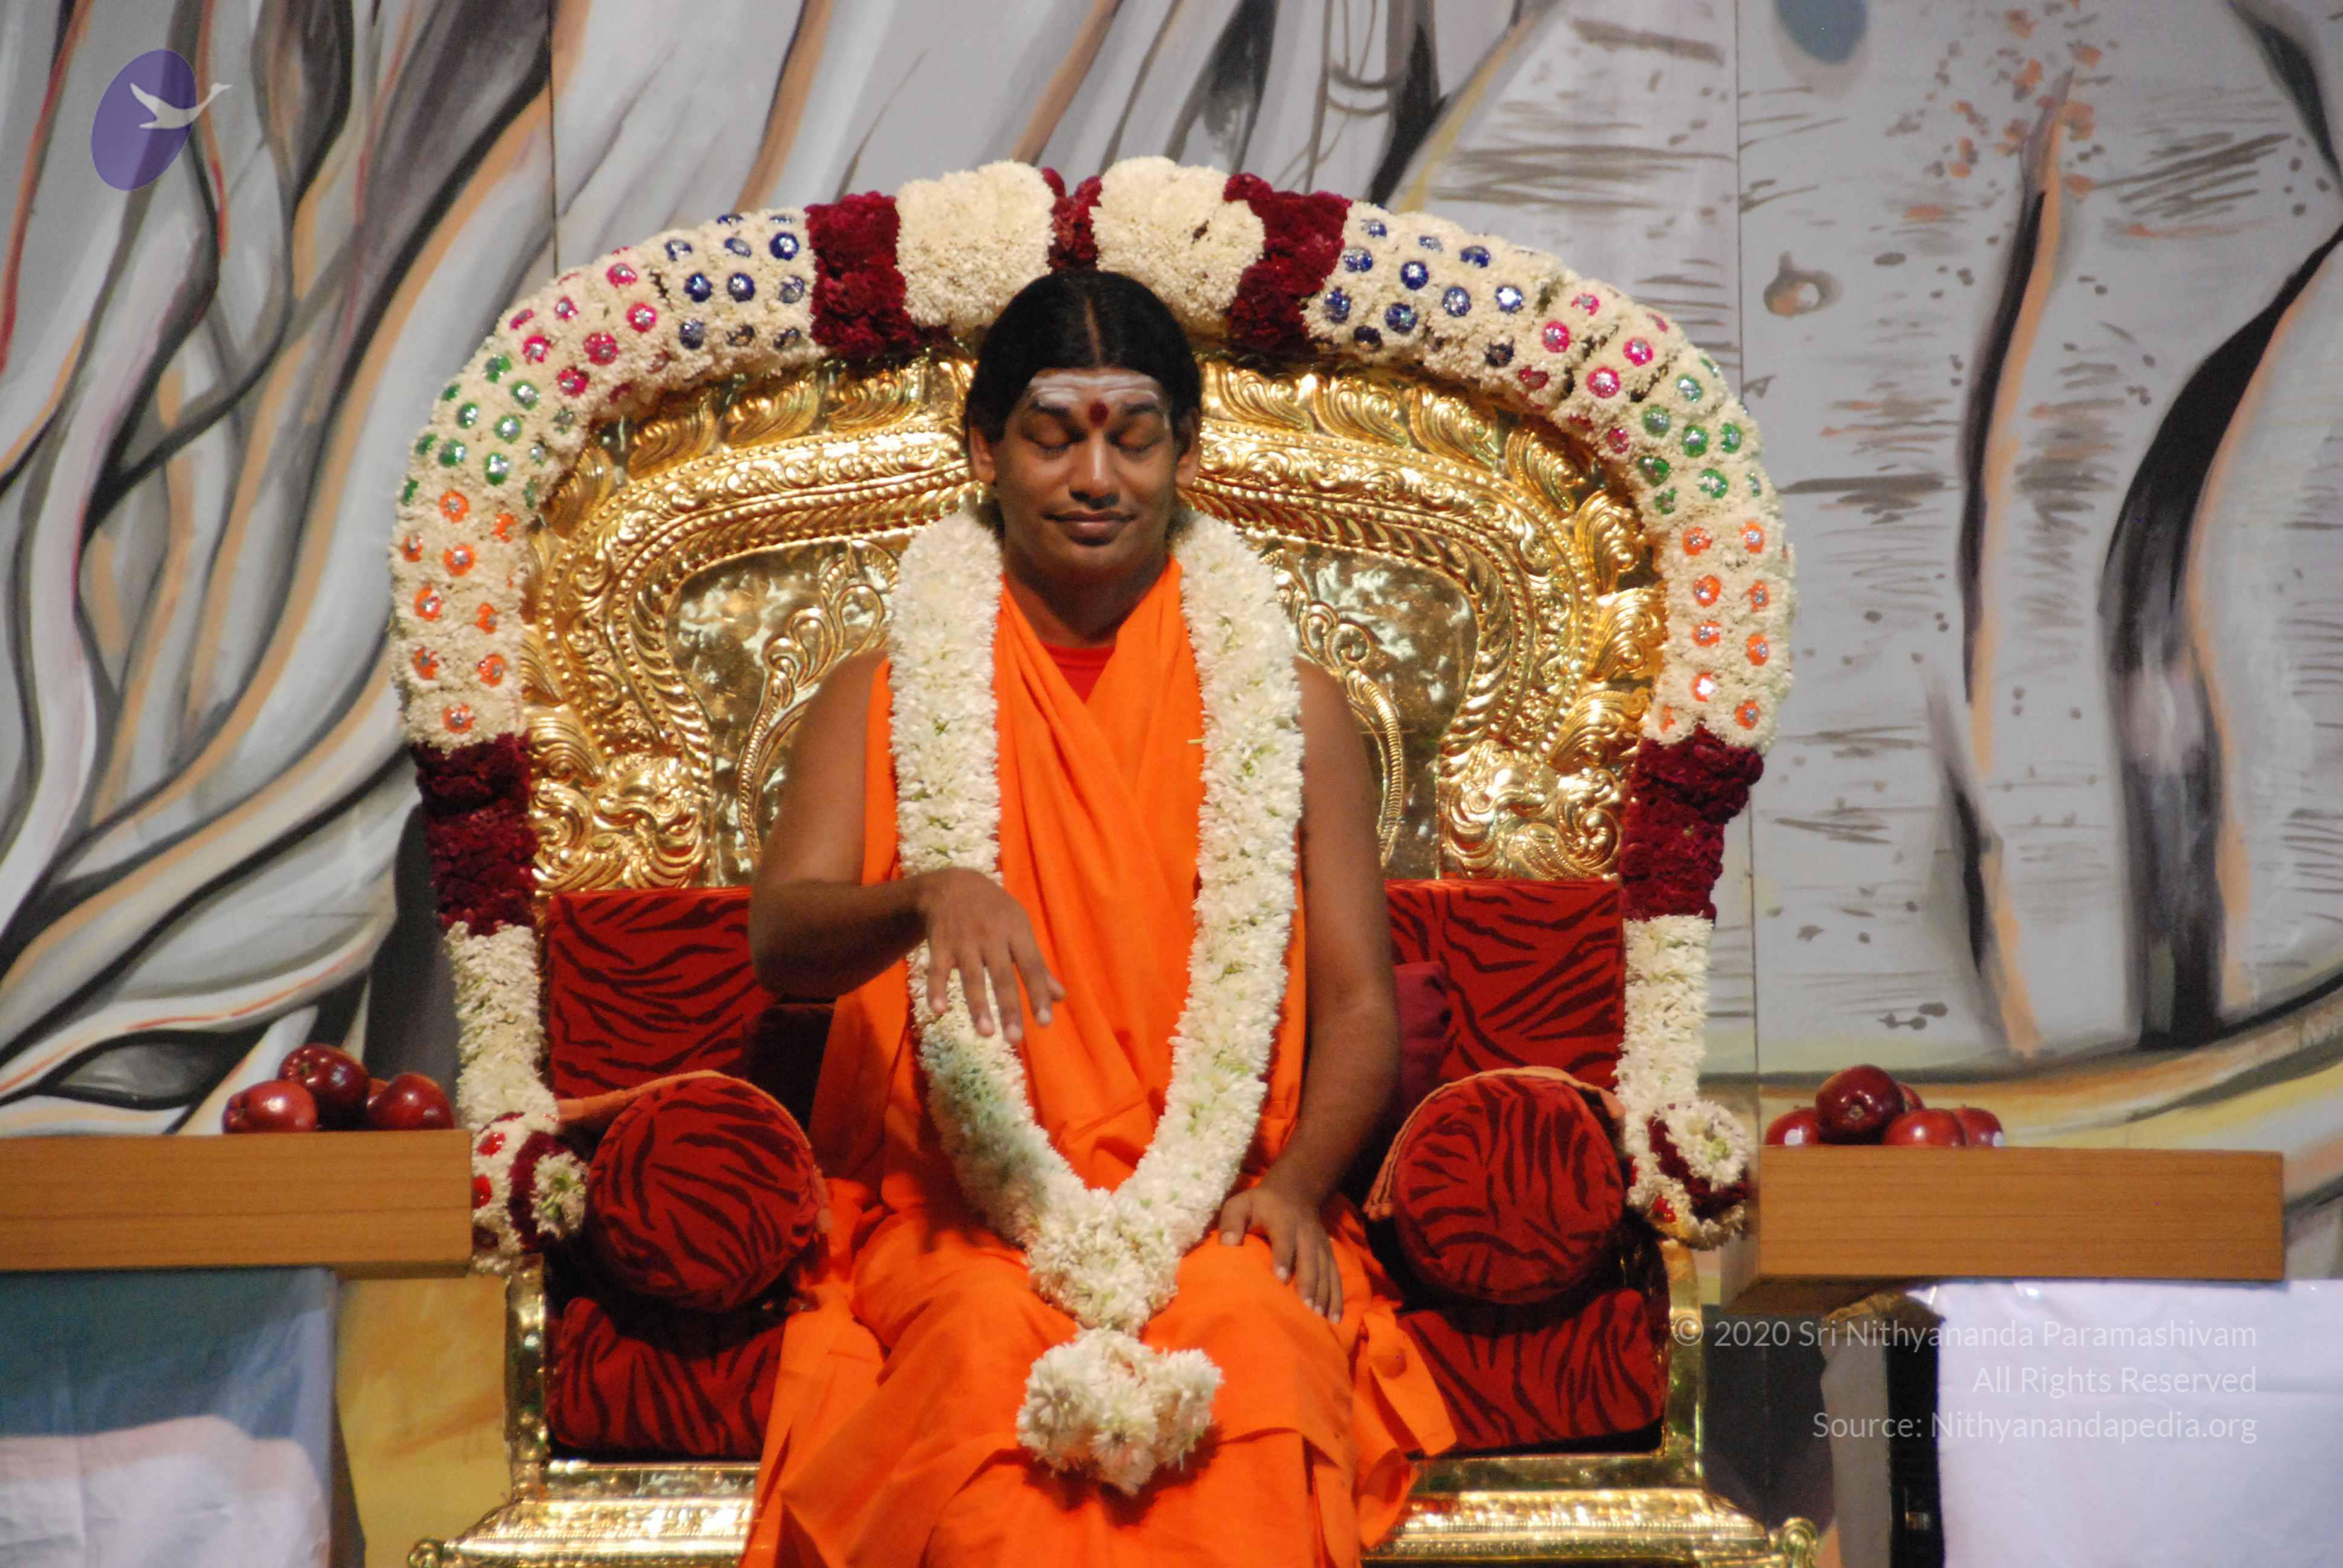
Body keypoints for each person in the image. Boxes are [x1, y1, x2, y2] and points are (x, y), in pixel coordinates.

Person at [739, 269, 1453, 1567]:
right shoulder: (880, 697)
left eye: (1133, 437)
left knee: (1256, 1344)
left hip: (1221, 1205)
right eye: (1053, 435)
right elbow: (781, 944)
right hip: (960, 1217)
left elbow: (1357, 1001)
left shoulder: (1291, 707)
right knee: (974, 1359)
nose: (1095, 478)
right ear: (985, 451)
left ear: (1187, 453)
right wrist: (926, 895)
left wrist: (1297, 1188)